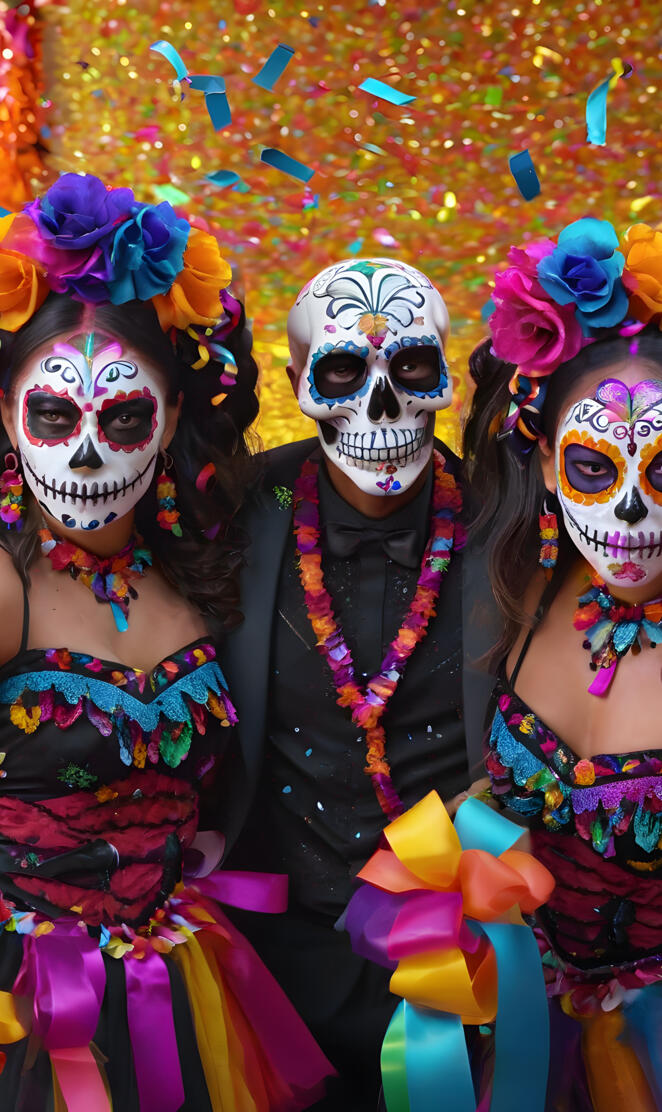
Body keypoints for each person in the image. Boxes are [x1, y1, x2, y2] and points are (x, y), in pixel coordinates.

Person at [0, 173, 332, 1111]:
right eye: (55, 416)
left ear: (175, 416)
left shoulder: (201, 568)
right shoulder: (6, 585)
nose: (88, 453)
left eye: (125, 416)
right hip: (33, 1008)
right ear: (6, 417)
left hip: (184, 976)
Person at [221, 257, 472, 1109]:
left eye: (410, 370)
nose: (380, 405)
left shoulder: (512, 519)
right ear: (297, 383)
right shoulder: (234, 512)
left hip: (465, 970)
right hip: (274, 966)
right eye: (340, 374)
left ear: (445, 369)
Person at [463, 216, 662, 1110]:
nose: (628, 512)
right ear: (543, 466)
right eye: (592, 467)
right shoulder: (518, 593)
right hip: (521, 1034)